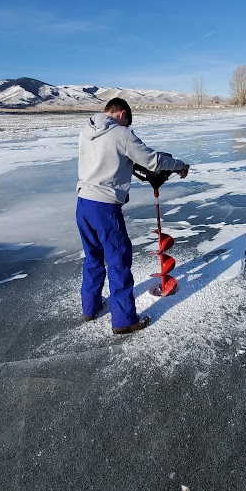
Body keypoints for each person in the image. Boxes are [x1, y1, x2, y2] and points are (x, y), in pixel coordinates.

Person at [76, 98, 189, 334]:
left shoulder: (86, 130)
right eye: (127, 122)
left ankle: (91, 307)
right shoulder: (121, 134)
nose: (127, 127)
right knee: (119, 262)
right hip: (105, 208)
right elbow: (152, 160)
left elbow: (105, 163)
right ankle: (125, 320)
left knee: (93, 257)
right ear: (122, 114)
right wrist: (179, 165)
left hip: (83, 203)